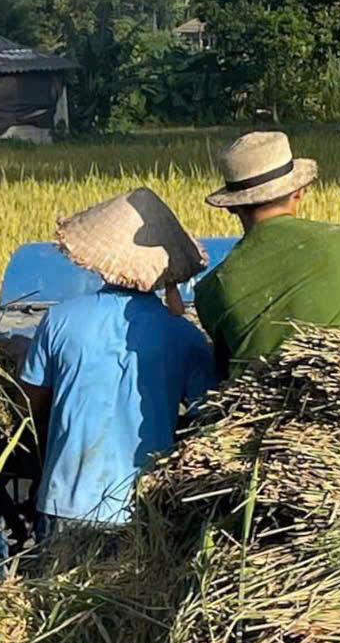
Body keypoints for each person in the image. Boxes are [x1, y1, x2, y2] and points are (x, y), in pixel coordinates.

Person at [18, 188, 215, 535]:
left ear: (102, 259)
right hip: (143, 509)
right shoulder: (185, 337)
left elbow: (29, 405)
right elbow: (206, 420)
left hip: (64, 502)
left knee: (54, 590)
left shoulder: (59, 320)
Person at [193, 131, 340, 380]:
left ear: (231, 207)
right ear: (298, 191)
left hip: (254, 415)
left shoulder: (212, 289)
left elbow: (225, 364)